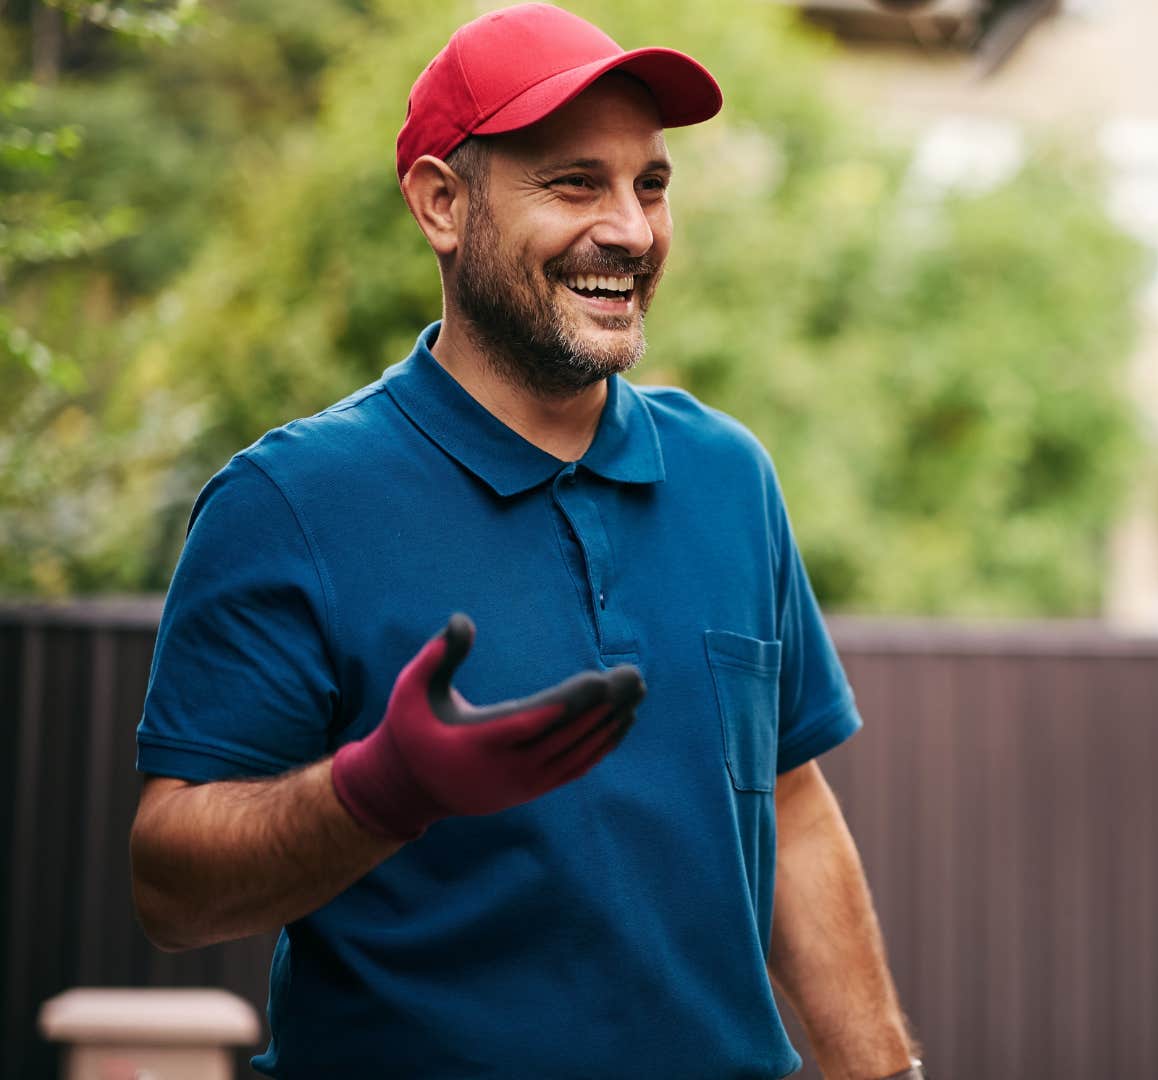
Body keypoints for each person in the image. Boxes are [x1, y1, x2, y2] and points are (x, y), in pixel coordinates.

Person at [126, 5, 924, 1078]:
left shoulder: (728, 477)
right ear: (442, 205)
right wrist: (376, 791)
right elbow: (171, 890)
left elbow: (791, 808)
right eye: (575, 183)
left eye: (650, 184)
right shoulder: (292, 502)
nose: (632, 230)